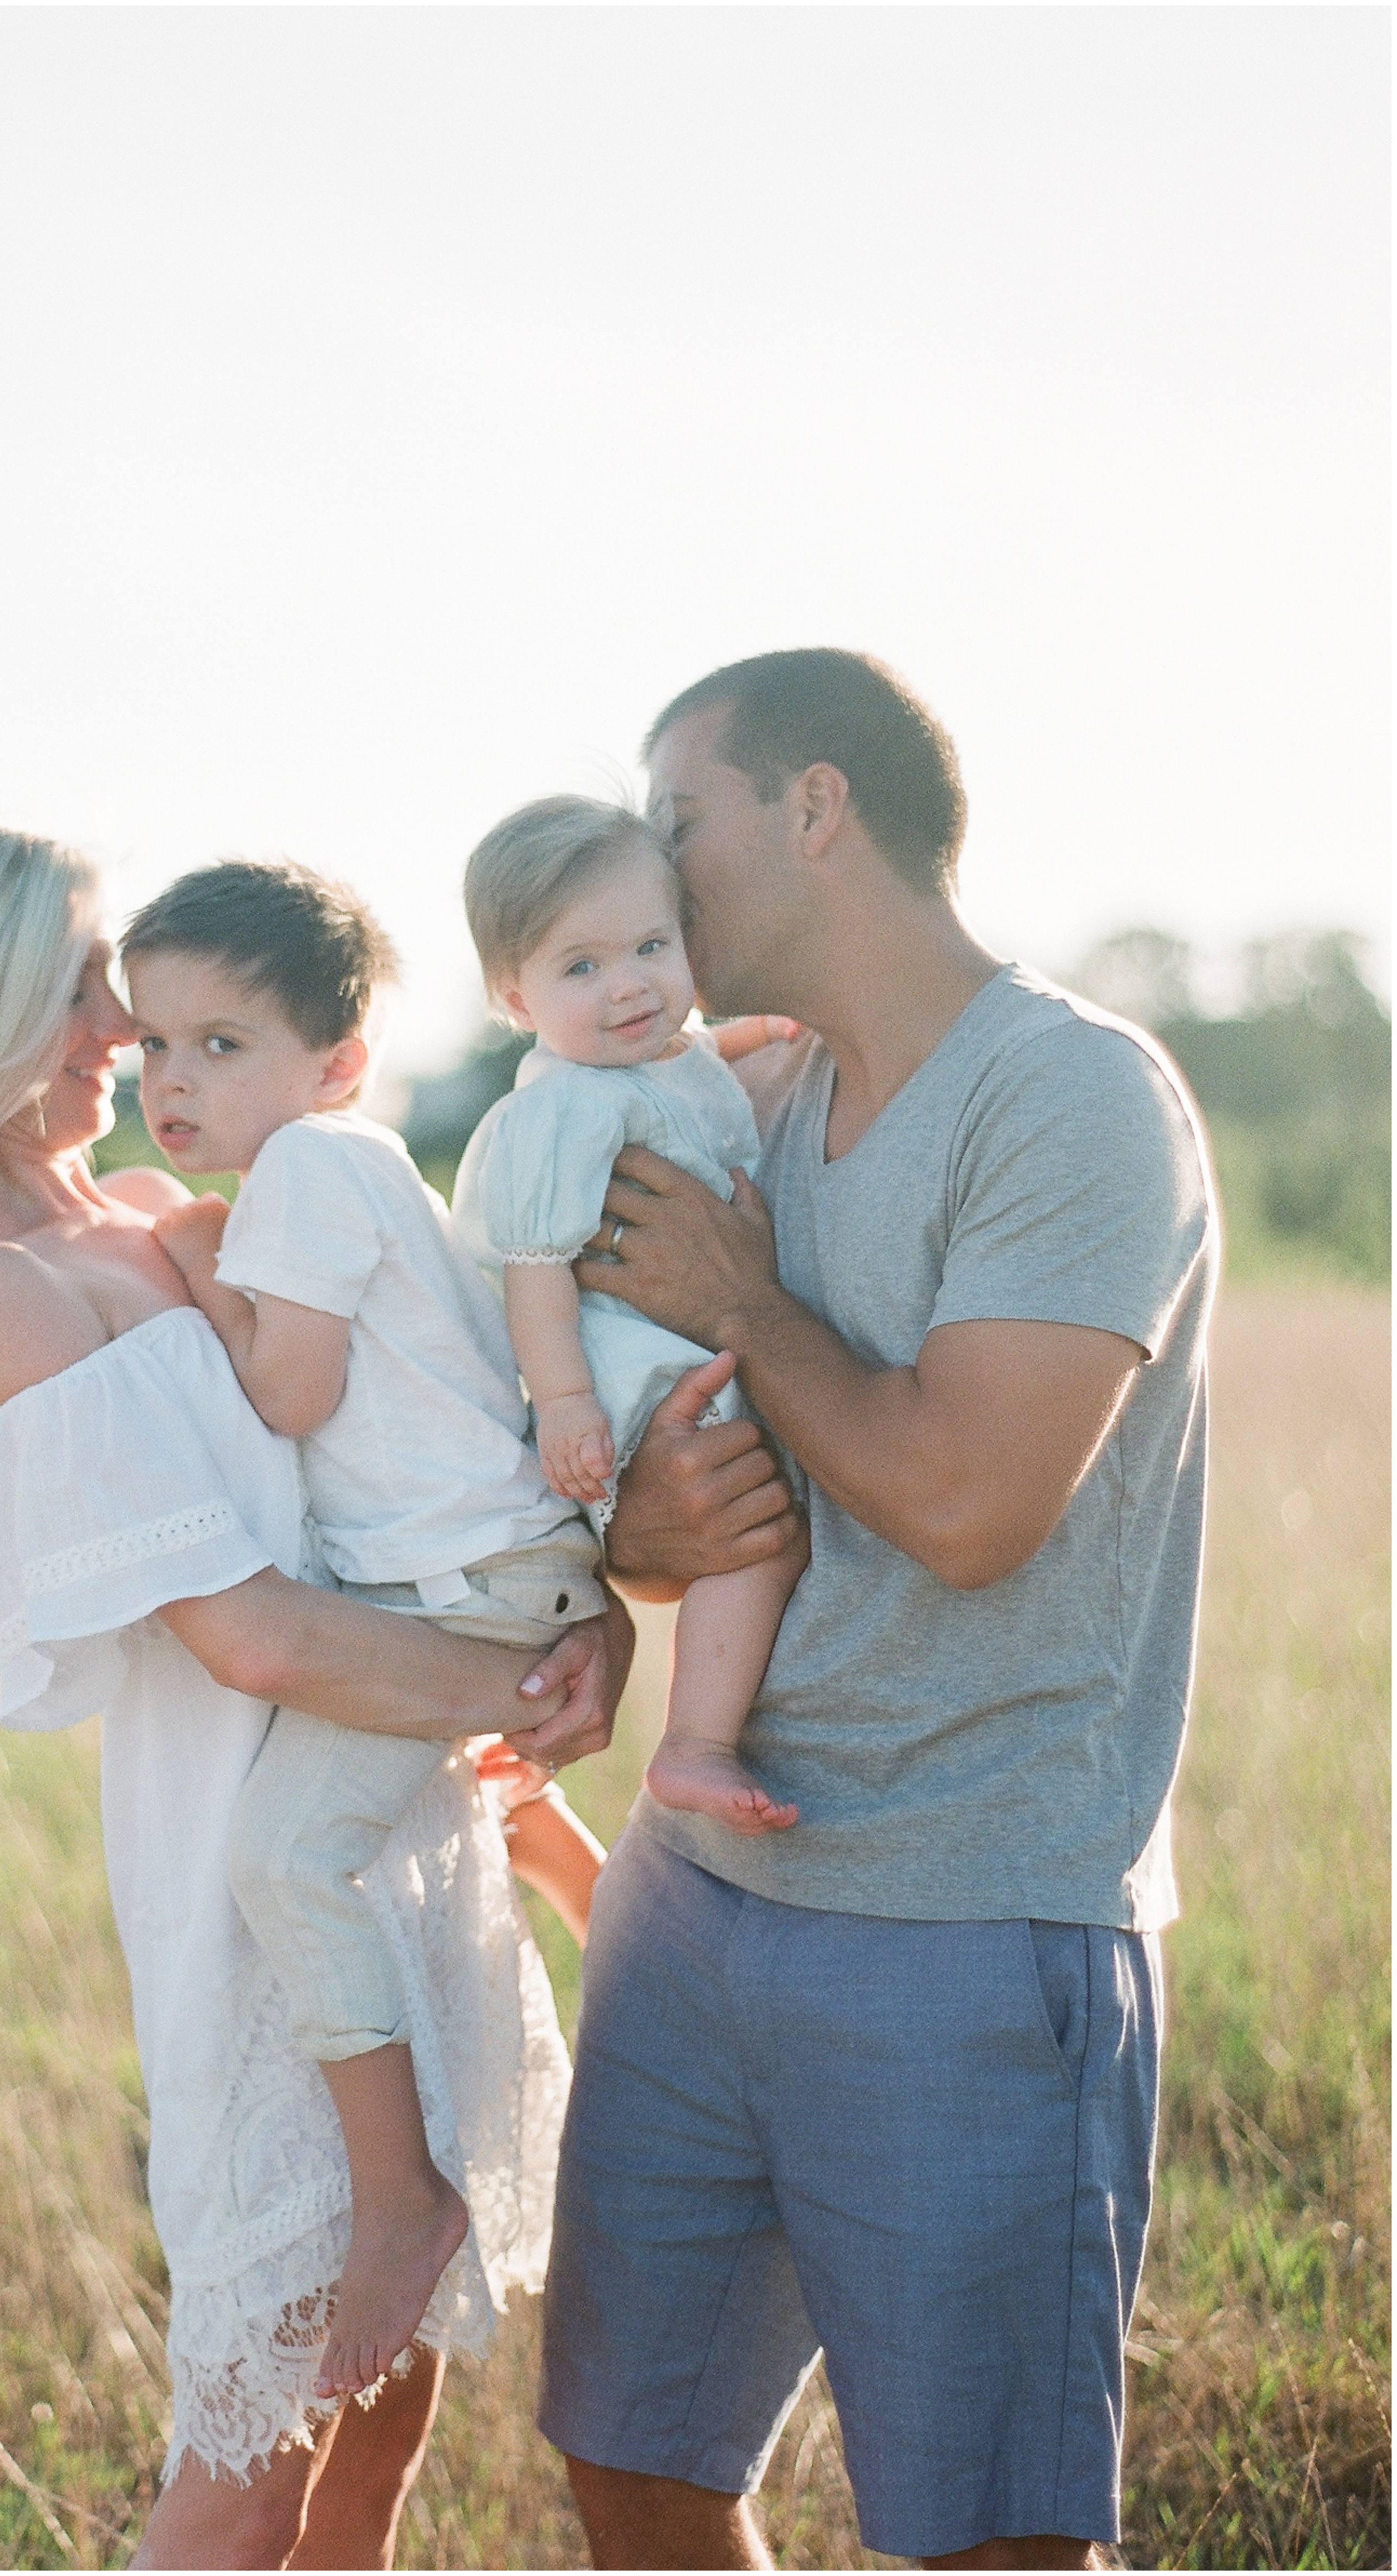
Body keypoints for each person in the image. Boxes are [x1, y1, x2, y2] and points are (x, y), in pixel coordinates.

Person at [0, 822, 640, 2572]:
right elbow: (250, 1632)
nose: (127, 1023)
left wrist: (579, 1648)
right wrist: (534, 1670)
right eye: (84, 983)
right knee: (255, 2449)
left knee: (385, 2428)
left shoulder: (181, 1217)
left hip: (399, 1825)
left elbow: (392, 1472)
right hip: (253, 1893)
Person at [539, 650, 1216, 2573]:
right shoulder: (743, 1101)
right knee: (634, 2462)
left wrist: (751, 1303)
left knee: (982, 2537)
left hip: (968, 1924)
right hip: (695, 1896)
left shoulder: (1075, 1092)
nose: (647, 881)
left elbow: (966, 1501)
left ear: (815, 807)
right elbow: (684, 1518)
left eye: (680, 824)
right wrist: (640, 1518)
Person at [119, 857, 607, 2407]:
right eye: (149, 1042)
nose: (169, 1079)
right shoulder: (347, 1165)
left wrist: (194, 1267)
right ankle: (602, 1888)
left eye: (220, 1043)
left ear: (334, 1062)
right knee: (415, 1783)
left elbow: (291, 1392)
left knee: (284, 1856)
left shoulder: (309, 1178)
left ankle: (400, 2192)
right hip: (482, 1567)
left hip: (456, 1582)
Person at [452, 794, 807, 1836]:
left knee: (763, 1530)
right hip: (627, 1375)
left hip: (686, 1338)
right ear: (515, 997)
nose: (629, 986)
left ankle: (698, 1732)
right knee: (755, 1542)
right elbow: (535, 1268)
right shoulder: (560, 1109)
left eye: (652, 945)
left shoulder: (666, 1055)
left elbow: (697, 1072)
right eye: (581, 967)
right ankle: (694, 1744)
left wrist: (766, 1030)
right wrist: (563, 1404)